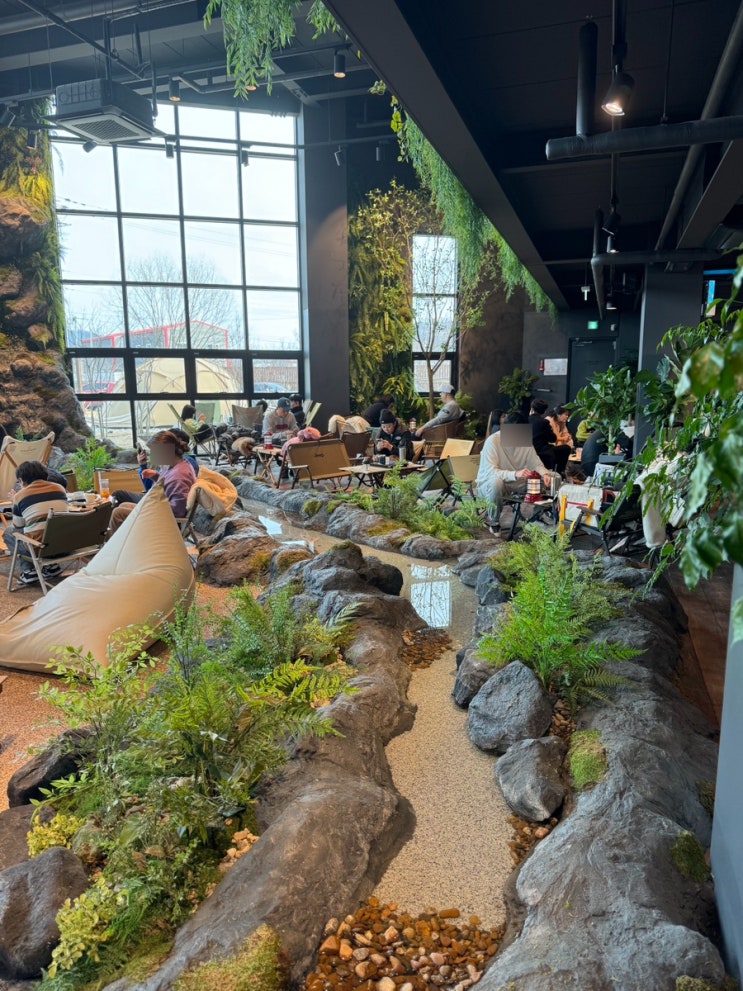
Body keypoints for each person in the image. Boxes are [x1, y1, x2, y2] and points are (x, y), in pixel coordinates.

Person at [475, 417, 555, 532]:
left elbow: (536, 464)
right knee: (496, 483)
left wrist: (545, 474)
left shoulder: (524, 440)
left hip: (516, 483)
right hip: (489, 484)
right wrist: (515, 474)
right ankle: (494, 523)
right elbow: (490, 472)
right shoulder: (493, 441)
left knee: (553, 478)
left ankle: (535, 517)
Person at [110, 430, 196, 533]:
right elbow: (168, 488)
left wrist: (151, 506)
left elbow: (178, 511)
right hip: (159, 511)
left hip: (166, 522)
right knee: (124, 506)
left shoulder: (179, 476)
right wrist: (156, 477)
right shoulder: (177, 465)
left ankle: (115, 542)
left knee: (118, 513)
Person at [5, 460, 69, 585]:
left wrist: (15, 502)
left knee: (10, 533)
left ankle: (29, 571)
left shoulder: (20, 496)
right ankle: (52, 567)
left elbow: (18, 525)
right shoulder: (60, 488)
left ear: (22, 480)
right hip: (65, 546)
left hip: (41, 549)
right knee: (45, 529)